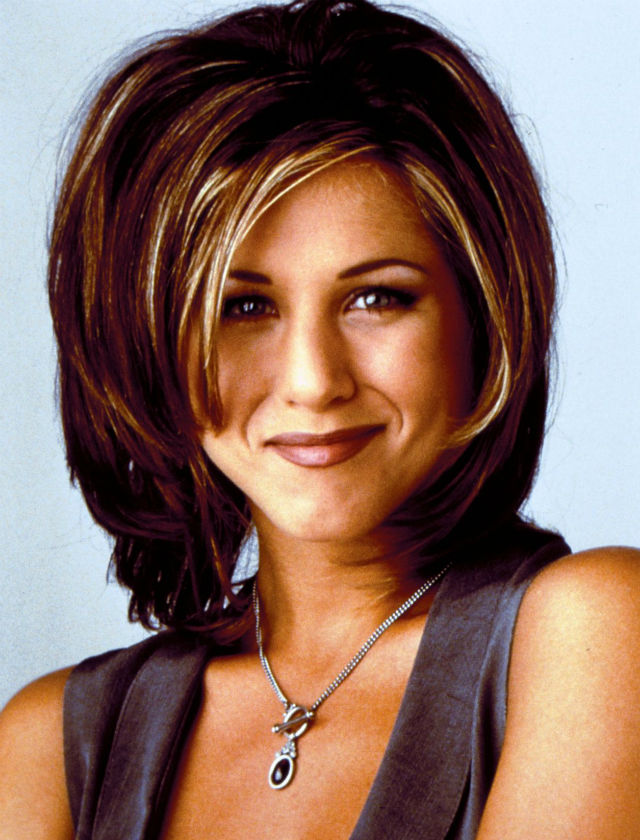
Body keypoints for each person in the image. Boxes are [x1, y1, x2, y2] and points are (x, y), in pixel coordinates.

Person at [1, 0, 638, 836]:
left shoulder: (598, 633)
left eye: (377, 298)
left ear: (480, 319)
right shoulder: (51, 748)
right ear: (146, 338)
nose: (313, 382)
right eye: (243, 307)